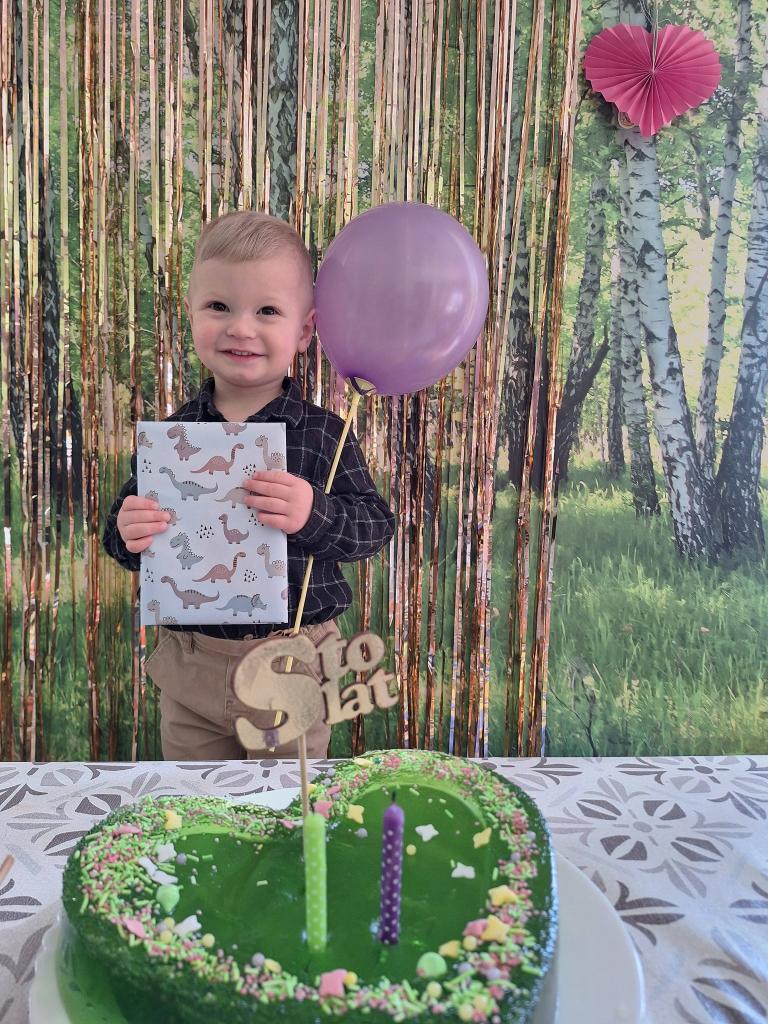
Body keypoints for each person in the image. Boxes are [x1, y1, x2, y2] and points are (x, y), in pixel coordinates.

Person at [102, 210, 395, 761]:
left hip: (293, 661)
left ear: (304, 331)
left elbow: (375, 527)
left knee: (286, 799)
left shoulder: (323, 436)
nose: (241, 327)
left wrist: (313, 514)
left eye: (267, 311)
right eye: (219, 306)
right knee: (196, 798)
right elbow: (121, 541)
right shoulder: (173, 438)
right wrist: (128, 531)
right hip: (193, 663)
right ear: (191, 313)